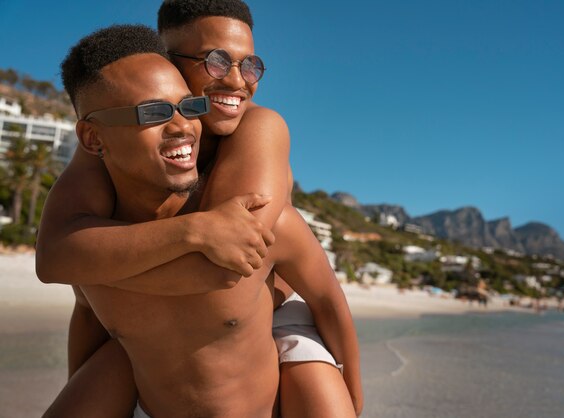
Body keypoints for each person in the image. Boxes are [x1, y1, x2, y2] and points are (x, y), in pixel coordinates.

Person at [37, 4, 361, 418]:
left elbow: (229, 265)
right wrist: (194, 231)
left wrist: (101, 265)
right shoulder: (104, 144)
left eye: (251, 65)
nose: (237, 79)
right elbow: (54, 261)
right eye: (216, 60)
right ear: (165, 60)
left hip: (266, 320)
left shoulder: (257, 129)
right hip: (164, 357)